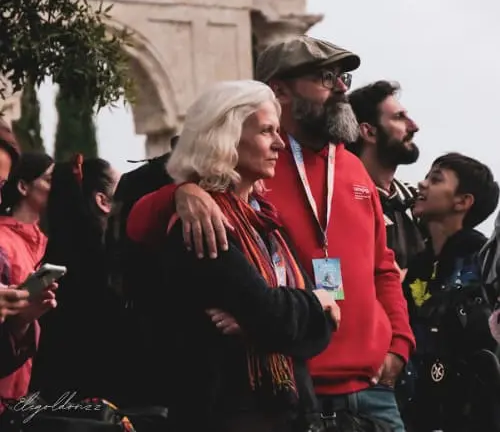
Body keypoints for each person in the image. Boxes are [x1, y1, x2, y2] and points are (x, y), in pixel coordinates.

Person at [127, 36, 414, 431]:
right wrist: (182, 193)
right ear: (280, 88)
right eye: (325, 77)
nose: (342, 88)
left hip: (371, 391)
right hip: (289, 387)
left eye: (343, 77)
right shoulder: (246, 166)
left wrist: (398, 345)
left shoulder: (353, 168)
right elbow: (139, 222)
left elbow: (383, 267)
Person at [157, 79, 335, 431]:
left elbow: (322, 332)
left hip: (292, 411)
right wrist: (319, 302)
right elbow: (273, 314)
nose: (280, 143)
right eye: (267, 131)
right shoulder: (204, 221)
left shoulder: (265, 220)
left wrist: (269, 321)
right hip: (231, 415)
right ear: (226, 138)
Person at [404, 152, 500, 431]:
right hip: (418, 409)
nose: (421, 184)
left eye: (435, 179)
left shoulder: (483, 260)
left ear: (463, 201)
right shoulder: (418, 265)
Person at [30, 156, 129, 404]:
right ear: (102, 201)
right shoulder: (109, 259)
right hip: (99, 398)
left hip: (55, 397)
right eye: (122, 186)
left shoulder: (55, 256)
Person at [347, 80, 425, 275]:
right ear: (369, 132)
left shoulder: (416, 203)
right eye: (399, 117)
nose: (414, 127)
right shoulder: (342, 199)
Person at [0, 152, 57, 403]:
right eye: (49, 179)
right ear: (23, 186)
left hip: (26, 389)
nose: (56, 189)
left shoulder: (46, 244)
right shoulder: (3, 240)